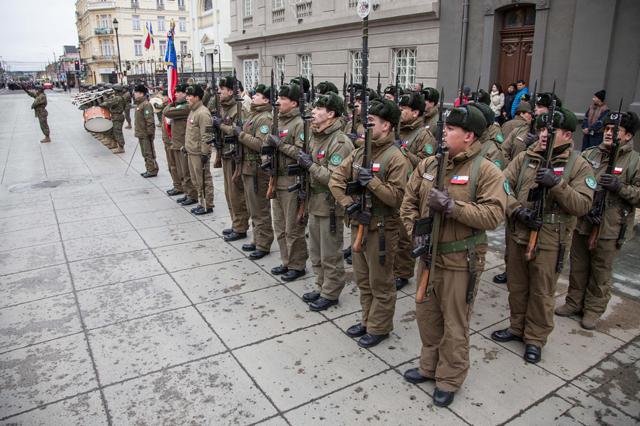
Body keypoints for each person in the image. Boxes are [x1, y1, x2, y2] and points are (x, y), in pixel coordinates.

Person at [400, 104, 507, 408]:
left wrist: (452, 207)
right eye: (444, 128)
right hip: (428, 257)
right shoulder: (429, 165)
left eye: (450, 130)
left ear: (469, 136)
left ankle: (449, 378)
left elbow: (493, 216)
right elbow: (408, 203)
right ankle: (428, 366)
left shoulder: (485, 171)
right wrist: (413, 231)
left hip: (461, 260)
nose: (443, 133)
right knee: (426, 316)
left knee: (455, 323)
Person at [491, 107, 593, 364]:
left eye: (552, 130)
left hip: (550, 241)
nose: (545, 134)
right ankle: (517, 327)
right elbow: (502, 186)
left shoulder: (578, 165)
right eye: (543, 129)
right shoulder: (525, 157)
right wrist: (516, 211)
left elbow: (582, 206)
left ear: (568, 134)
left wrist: (557, 185)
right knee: (517, 287)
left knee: (542, 292)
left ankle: (535, 338)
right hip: (519, 233)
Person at [329, 98, 410, 348]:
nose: (364, 126)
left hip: (382, 229)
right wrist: (349, 205)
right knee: (363, 280)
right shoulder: (360, 152)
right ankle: (367, 320)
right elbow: (336, 179)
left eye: (371, 122)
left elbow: (397, 198)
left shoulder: (396, 158)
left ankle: (380, 327)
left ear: (386, 126)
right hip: (359, 222)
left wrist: (371, 181)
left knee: (381, 281)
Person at [556, 111, 640, 330]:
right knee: (578, 265)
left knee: (600, 271)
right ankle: (573, 303)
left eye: (615, 131)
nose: (609, 134)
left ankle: (593, 310)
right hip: (584, 220)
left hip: (611, 226)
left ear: (628, 136)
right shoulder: (590, 154)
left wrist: (621, 187)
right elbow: (576, 183)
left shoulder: (634, 162)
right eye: (607, 129)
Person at [294, 93, 354, 309]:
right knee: (316, 252)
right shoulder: (316, 136)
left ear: (331, 114)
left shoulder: (339, 142)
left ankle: (331, 292)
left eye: (319, 108)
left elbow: (334, 179)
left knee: (330, 254)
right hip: (314, 202)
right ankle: (321, 286)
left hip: (329, 205)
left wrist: (310, 166)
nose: (313, 110)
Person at [264, 83, 309, 282]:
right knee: (280, 227)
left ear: (293, 103)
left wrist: (280, 145)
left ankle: (297, 265)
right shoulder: (278, 121)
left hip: (291, 181)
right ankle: (286, 261)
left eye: (282, 99)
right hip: (277, 179)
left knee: (293, 228)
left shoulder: (299, 124)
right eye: (278, 98)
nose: (278, 102)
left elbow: (302, 154)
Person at [232, 84, 275, 260]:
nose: (253, 96)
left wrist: (240, 135)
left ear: (266, 100)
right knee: (252, 207)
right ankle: (258, 239)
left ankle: (264, 243)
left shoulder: (265, 118)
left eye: (257, 95)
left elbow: (260, 145)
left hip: (257, 169)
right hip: (247, 168)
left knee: (259, 209)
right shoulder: (254, 114)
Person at [164, 84, 199, 206]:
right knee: (180, 171)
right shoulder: (179, 106)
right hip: (177, 142)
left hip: (183, 144)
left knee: (186, 172)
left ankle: (192, 195)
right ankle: (186, 193)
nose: (175, 94)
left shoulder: (185, 108)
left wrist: (170, 103)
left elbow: (167, 112)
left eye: (178, 92)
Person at [184, 84, 214, 215]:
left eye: (189, 96)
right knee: (196, 180)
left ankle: (207, 204)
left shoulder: (202, 112)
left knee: (203, 179)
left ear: (197, 97)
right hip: (192, 151)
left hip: (199, 152)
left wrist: (205, 152)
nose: (187, 98)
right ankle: (201, 202)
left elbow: (206, 135)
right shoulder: (193, 110)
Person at [159, 89, 182, 195]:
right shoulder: (167, 107)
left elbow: (167, 113)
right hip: (167, 141)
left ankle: (179, 186)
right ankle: (176, 185)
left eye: (165, 96)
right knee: (171, 165)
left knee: (175, 165)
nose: (163, 98)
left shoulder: (174, 108)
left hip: (173, 141)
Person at [133, 84, 158, 177]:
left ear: (141, 94)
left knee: (149, 152)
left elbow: (149, 120)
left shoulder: (145, 105)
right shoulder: (139, 104)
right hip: (141, 133)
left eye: (136, 92)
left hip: (146, 133)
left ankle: (152, 170)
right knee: (144, 152)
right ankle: (149, 168)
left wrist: (150, 133)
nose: (135, 94)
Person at [100, 83, 126, 153]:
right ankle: (115, 143)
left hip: (117, 116)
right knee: (114, 131)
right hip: (117, 116)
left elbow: (106, 104)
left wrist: (104, 97)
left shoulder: (117, 98)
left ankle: (121, 147)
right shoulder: (120, 97)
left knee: (117, 132)